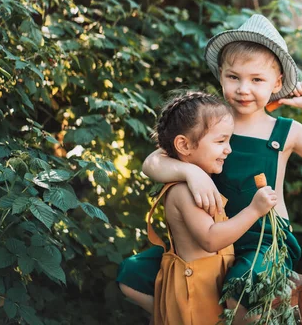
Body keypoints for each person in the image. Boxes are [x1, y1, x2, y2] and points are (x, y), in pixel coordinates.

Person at [118, 14, 302, 322]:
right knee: (132, 277)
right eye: (234, 77)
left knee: (240, 293)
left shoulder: (285, 131)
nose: (244, 89)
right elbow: (153, 162)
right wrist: (190, 172)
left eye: (257, 80)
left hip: (262, 241)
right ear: (221, 76)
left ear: (278, 83)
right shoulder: (210, 119)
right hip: (209, 236)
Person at [117, 91, 278, 324]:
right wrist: (254, 210)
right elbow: (211, 240)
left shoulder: (197, 180)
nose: (229, 149)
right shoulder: (184, 191)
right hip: (195, 288)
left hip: (207, 279)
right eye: (220, 141)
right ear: (184, 145)